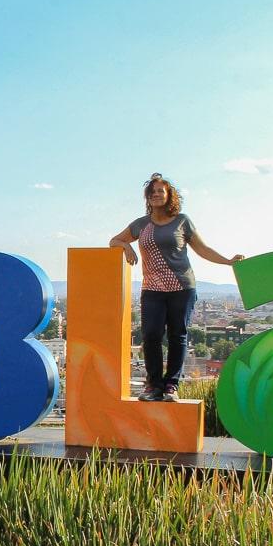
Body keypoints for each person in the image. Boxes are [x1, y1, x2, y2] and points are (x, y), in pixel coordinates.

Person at [109, 172, 244, 402]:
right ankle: (153, 386)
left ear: (169, 194)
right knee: (150, 335)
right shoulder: (141, 224)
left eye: (160, 191)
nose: (156, 195)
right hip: (152, 288)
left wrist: (228, 261)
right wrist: (127, 247)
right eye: (152, 192)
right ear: (147, 197)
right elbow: (114, 240)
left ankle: (171, 385)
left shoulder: (182, 221)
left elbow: (203, 249)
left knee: (177, 335)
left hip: (182, 287)